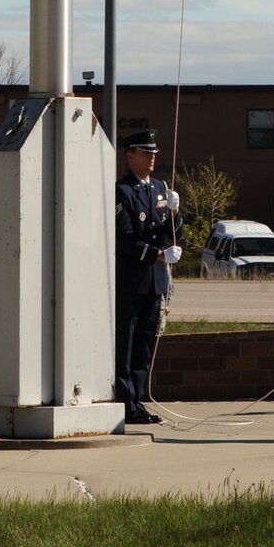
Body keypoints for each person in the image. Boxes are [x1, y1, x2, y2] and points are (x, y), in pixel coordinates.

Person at [114, 128, 182, 425]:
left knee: (144, 347)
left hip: (155, 282)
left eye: (154, 152)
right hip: (132, 281)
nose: (152, 157)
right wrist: (157, 255)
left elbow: (172, 234)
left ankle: (137, 401)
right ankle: (126, 403)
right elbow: (125, 239)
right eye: (145, 152)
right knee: (127, 346)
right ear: (130, 155)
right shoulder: (122, 191)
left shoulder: (158, 188)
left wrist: (176, 213)